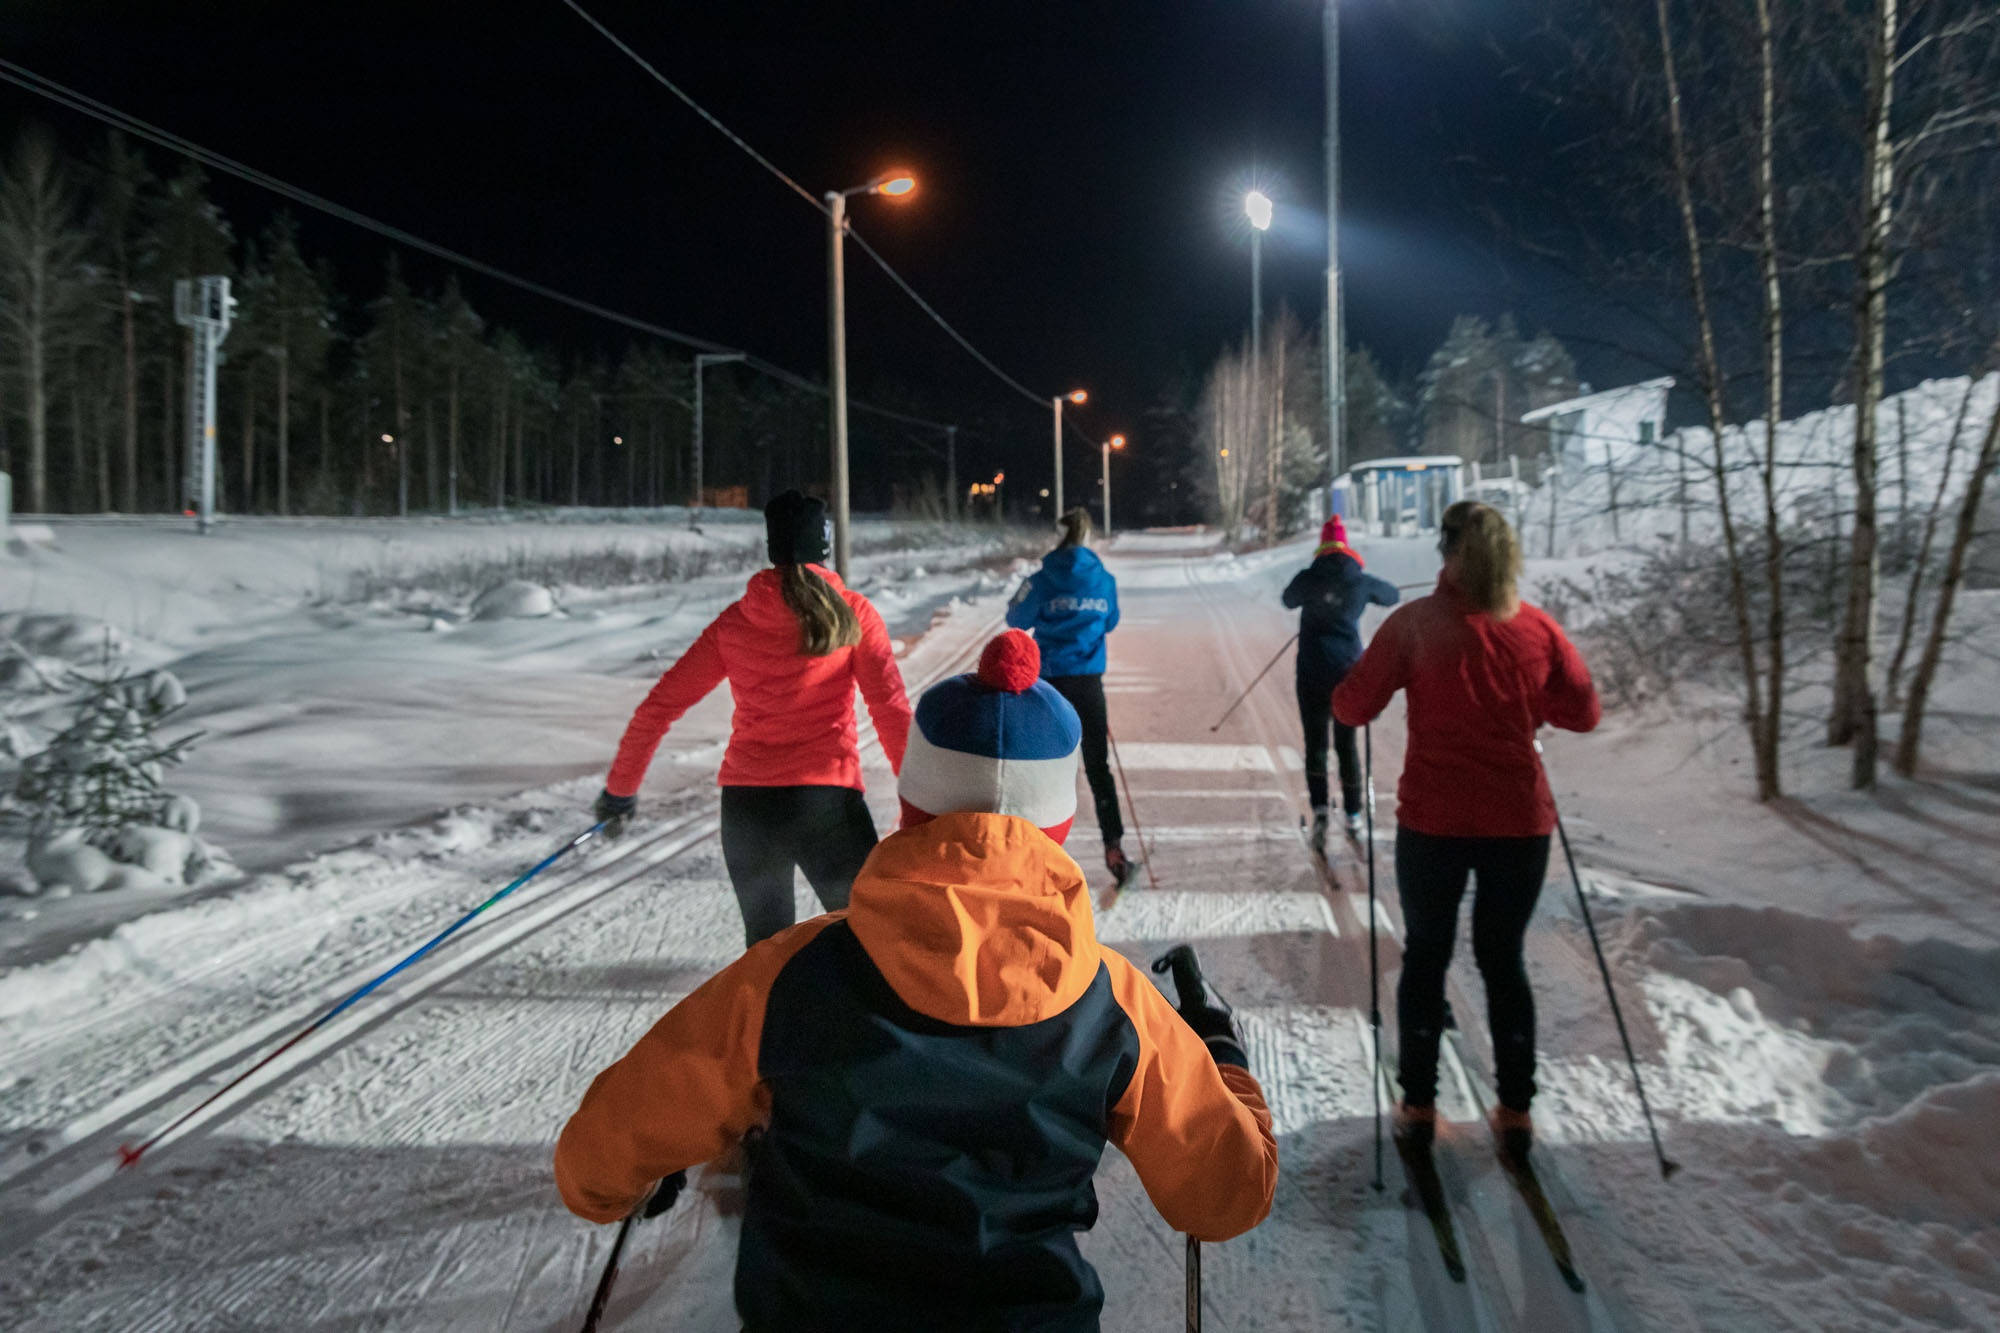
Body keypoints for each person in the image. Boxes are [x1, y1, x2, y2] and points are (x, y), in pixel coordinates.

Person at [556, 630, 1277, 1332]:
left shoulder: (789, 972)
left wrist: (622, 1183)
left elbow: (595, 1159)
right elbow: (1226, 1196)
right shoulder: (1111, 1000)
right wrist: (1222, 1056)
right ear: (1056, 825)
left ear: (912, 805)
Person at [1331, 500, 1599, 1162]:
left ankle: (1418, 1107)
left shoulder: (1416, 625)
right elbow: (1584, 710)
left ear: (1446, 553)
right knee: (1502, 959)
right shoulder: (1536, 628)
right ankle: (1515, 1112)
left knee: (1427, 955)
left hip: (1435, 823)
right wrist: (1527, 707)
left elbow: (1351, 705)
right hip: (1519, 825)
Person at [591, 491, 912, 947]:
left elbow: (657, 708)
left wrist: (619, 792)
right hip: (825, 802)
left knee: (767, 955)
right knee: (870, 944)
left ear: (771, 545)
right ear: (823, 543)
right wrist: (921, 810)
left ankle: (771, 1020)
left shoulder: (737, 621)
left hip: (748, 808)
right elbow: (892, 711)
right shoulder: (853, 614)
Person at [1006, 507, 1131, 885]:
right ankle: (1114, 847)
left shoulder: (1042, 578)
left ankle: (1032, 855)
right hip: (1088, 682)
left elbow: (1015, 618)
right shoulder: (1104, 579)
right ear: (1089, 536)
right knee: (1097, 766)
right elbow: (1111, 621)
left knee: (1042, 768)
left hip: (1048, 685)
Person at [1282, 514, 1401, 855]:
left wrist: (1312, 596)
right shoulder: (1359, 580)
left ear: (1322, 545)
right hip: (1348, 675)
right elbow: (1391, 595)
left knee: (1316, 743)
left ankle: (1320, 809)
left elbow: (1288, 600)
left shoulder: (1308, 577)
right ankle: (1352, 814)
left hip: (1311, 674)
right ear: (1345, 546)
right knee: (1346, 745)